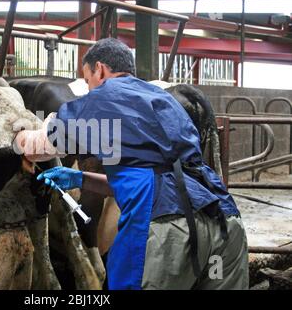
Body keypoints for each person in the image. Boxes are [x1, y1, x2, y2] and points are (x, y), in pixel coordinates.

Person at [14, 38, 249, 290]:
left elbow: (38, 146)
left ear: (100, 69)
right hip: (224, 226)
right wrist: (80, 178)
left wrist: (16, 135)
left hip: (169, 237)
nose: (89, 87)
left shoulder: (102, 99)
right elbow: (157, 180)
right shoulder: (163, 99)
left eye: (87, 79)